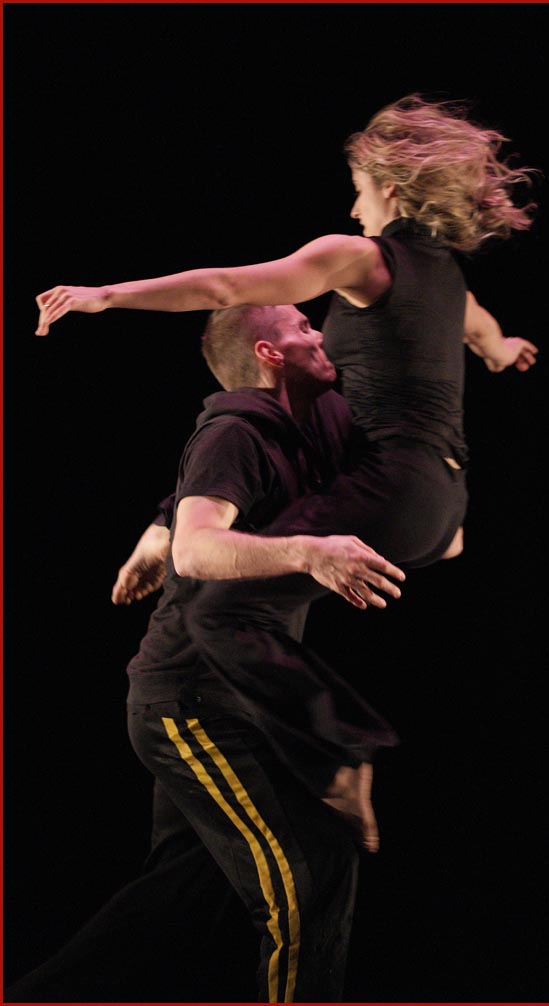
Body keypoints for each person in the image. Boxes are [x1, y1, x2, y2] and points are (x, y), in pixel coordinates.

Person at [6, 302, 405, 1004]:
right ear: (267, 353)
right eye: (302, 326)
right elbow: (198, 546)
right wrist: (307, 552)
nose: (319, 332)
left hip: (237, 699)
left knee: (173, 906)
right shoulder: (234, 431)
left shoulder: (308, 424)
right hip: (189, 706)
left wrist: (158, 528)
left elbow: (192, 500)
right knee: (310, 874)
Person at [34, 94, 539, 587]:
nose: (354, 210)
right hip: (445, 511)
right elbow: (484, 333)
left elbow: (225, 288)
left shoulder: (362, 257)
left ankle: (169, 533)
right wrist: (506, 351)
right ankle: (167, 526)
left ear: (388, 187)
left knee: (211, 583)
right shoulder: (450, 280)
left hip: (389, 491)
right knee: (264, 522)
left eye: (358, 189)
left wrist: (106, 295)